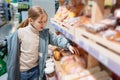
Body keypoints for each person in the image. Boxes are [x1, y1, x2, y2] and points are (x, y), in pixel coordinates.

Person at [0, 6, 79, 80]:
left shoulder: (44, 33)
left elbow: (56, 39)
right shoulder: (20, 32)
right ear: (31, 21)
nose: (43, 24)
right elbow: (8, 42)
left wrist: (68, 45)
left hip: (36, 70)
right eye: (40, 22)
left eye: (45, 22)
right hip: (22, 72)